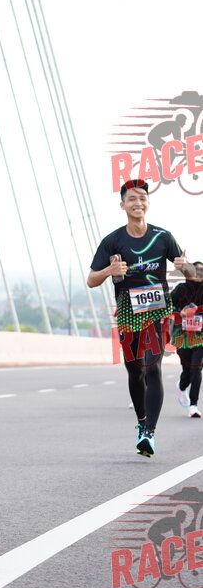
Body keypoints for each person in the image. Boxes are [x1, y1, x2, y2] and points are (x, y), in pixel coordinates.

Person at [87, 179, 187, 457]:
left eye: (142, 197)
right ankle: (142, 421)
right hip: (128, 312)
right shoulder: (112, 241)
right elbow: (91, 280)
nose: (138, 202)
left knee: (152, 367)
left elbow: (190, 272)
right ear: (123, 205)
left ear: (148, 203)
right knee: (135, 371)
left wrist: (185, 266)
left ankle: (149, 433)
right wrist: (109, 271)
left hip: (158, 311)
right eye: (132, 198)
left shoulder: (163, 237)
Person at [170, 260, 203, 418]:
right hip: (182, 335)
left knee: (196, 368)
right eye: (196, 270)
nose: (199, 273)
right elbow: (166, 307)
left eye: (202, 271)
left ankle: (193, 406)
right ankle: (182, 386)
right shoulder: (180, 289)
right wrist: (180, 313)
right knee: (187, 371)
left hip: (200, 336)